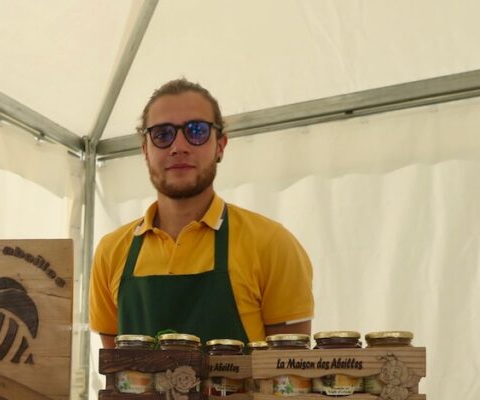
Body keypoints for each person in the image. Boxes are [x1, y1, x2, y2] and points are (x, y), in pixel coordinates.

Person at [89, 78, 313, 347]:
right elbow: (116, 373)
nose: (178, 146)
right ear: (145, 150)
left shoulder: (272, 244)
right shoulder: (111, 251)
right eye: (162, 134)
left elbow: (290, 375)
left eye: (196, 131)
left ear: (220, 145)